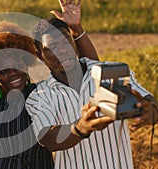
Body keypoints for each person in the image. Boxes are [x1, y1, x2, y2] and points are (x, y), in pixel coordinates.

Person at [25, 1, 158, 169]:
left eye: (66, 41)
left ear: (73, 40)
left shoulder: (112, 73)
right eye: (52, 47)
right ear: (40, 55)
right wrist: (80, 127)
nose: (62, 50)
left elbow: (151, 104)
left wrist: (149, 111)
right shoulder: (39, 96)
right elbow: (49, 138)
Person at [0, 0, 100, 168]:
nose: (13, 74)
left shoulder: (41, 94)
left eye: (18, 66)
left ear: (26, 61)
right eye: (4, 71)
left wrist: (77, 28)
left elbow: (93, 70)